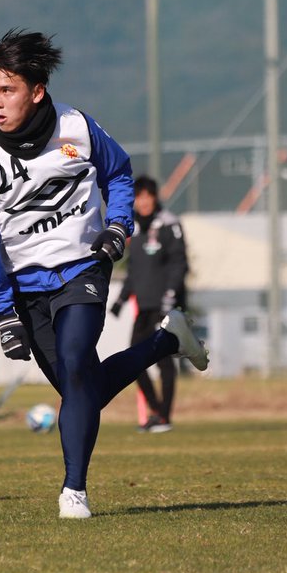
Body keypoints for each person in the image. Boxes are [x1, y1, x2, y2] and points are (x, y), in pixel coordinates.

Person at [0, 29, 209, 519]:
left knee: (75, 359)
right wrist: (3, 314)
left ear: (36, 91)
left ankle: (74, 491)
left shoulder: (77, 126)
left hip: (81, 266)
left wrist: (117, 224)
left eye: (7, 90)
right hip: (24, 287)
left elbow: (119, 172)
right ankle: (166, 342)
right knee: (80, 389)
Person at [110, 175, 190, 433]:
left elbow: (179, 264)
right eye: (139, 197)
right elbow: (134, 270)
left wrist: (170, 295)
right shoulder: (135, 229)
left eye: (148, 196)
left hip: (164, 305)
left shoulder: (169, 225)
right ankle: (156, 411)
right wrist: (122, 298)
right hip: (143, 306)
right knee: (133, 362)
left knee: (164, 361)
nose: (143, 202)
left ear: (155, 197)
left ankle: (164, 417)